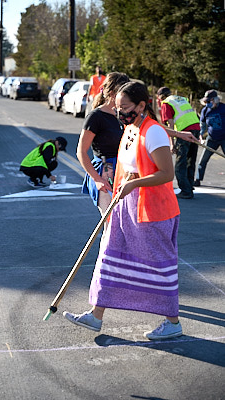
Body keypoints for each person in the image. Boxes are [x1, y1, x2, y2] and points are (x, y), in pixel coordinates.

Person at [64, 82, 182, 341]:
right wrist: (121, 184)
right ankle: (96, 315)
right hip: (125, 203)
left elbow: (166, 173)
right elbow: (129, 166)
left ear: (142, 105)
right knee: (109, 254)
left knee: (157, 262)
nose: (121, 113)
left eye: (126, 108)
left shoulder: (153, 132)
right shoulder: (130, 128)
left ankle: (172, 321)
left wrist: (134, 183)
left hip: (151, 208)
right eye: (118, 108)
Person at [77, 72, 130, 235]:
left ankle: (120, 260)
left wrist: (179, 134)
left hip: (125, 171)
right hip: (105, 170)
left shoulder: (126, 114)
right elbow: (81, 152)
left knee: (125, 225)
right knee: (111, 226)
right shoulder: (96, 117)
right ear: (112, 92)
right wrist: (97, 179)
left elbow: (149, 126)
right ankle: (106, 261)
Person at [157, 86, 200, 199]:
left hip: (184, 132)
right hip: (196, 128)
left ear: (161, 97)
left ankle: (185, 191)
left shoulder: (166, 103)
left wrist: (172, 144)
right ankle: (189, 186)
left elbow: (170, 125)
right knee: (191, 160)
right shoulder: (181, 99)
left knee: (180, 163)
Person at [194, 90, 225, 186]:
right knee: (203, 160)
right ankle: (198, 179)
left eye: (209, 101)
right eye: (206, 102)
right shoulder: (205, 110)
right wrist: (201, 134)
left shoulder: (223, 108)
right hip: (211, 139)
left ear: (215, 100)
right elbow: (202, 124)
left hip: (224, 138)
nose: (207, 104)